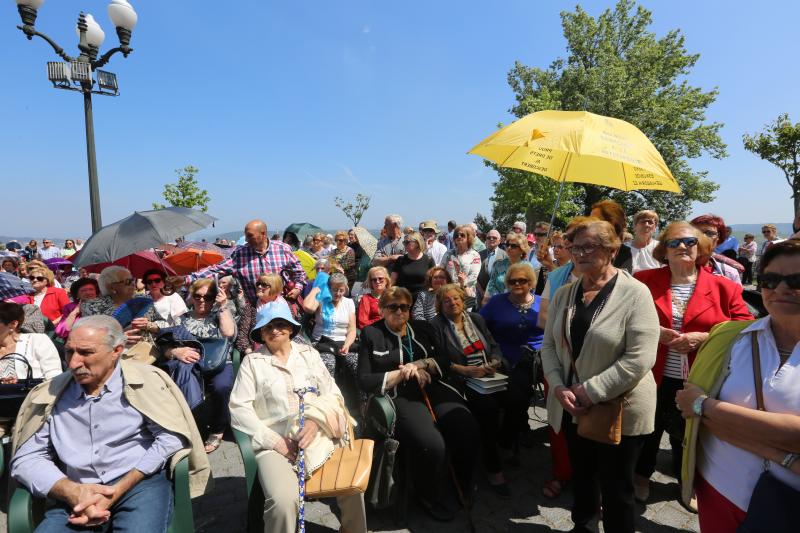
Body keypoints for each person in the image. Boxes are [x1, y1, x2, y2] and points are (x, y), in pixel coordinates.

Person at [540, 218, 660, 533]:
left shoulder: (636, 294)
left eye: (588, 246)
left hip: (619, 408)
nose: (578, 253)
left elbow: (640, 358)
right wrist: (557, 387)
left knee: (617, 487)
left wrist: (589, 391)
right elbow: (550, 345)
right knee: (582, 475)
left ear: (611, 249)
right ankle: (583, 524)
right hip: (570, 405)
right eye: (573, 247)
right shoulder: (565, 293)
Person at [677, 239, 800, 533]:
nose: (781, 289)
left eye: (796, 280)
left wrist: (706, 407)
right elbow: (690, 410)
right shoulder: (730, 337)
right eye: (770, 280)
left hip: (789, 504)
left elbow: (697, 406)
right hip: (718, 490)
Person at [632, 222, 753, 505]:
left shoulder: (724, 287)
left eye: (688, 242)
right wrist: (656, 332)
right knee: (648, 429)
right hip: (652, 372)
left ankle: (688, 482)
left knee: (690, 433)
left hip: (700, 376)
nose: (682, 247)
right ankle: (640, 477)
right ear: (664, 250)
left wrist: (704, 337)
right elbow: (626, 316)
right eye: (673, 243)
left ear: (700, 247)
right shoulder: (644, 279)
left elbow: (744, 326)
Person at [230, 302, 367, 533]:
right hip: (276, 444)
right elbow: (239, 409)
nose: (274, 330)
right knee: (283, 501)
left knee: (352, 487)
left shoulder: (309, 354)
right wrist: (276, 442)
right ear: (261, 333)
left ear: (291, 328)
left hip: (319, 436)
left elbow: (333, 393)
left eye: (280, 324)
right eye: (268, 326)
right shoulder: (252, 363)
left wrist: (315, 422)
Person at [358, 287, 480, 521]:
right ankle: (428, 495)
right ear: (382, 309)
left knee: (466, 428)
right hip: (400, 394)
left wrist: (422, 364)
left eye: (405, 306)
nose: (400, 311)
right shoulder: (371, 333)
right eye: (393, 306)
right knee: (431, 444)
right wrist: (401, 374)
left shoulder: (423, 328)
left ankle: (463, 485)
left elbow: (447, 360)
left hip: (434, 387)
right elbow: (364, 380)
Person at [430, 284, 512, 496]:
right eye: (446, 300)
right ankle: (491, 464)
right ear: (440, 305)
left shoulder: (476, 319)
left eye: (456, 298)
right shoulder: (436, 325)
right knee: (487, 408)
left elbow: (494, 346)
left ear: (463, 299)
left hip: (487, 376)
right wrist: (465, 370)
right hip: (459, 381)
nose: (453, 303)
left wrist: (495, 361)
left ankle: (505, 447)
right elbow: (439, 360)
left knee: (516, 397)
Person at [480, 263, 545, 461]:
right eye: (513, 281)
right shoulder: (496, 303)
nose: (517, 284)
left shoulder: (543, 302)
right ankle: (508, 440)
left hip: (538, 358)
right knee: (516, 396)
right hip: (505, 358)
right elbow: (480, 326)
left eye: (522, 280)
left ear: (531, 282)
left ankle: (521, 429)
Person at [166, 279, 236, 454]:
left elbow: (228, 333)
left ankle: (218, 428)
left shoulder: (221, 312)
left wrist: (222, 305)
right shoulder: (181, 318)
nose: (203, 300)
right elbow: (165, 346)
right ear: (192, 296)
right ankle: (188, 427)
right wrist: (176, 351)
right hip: (190, 363)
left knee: (221, 386)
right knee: (179, 383)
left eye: (208, 296)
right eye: (198, 296)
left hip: (218, 361)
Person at [177, 219, 306, 308]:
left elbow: (299, 272)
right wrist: (186, 279)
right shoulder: (240, 254)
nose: (246, 239)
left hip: (283, 306)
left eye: (250, 236)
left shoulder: (282, 249)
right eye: (246, 236)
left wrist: (297, 288)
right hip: (256, 310)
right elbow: (215, 270)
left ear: (263, 234)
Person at [81, 266, 166, 345]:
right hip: (117, 357)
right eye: (128, 282)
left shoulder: (144, 298)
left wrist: (151, 325)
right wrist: (119, 339)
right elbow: (91, 338)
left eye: (132, 280)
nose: (133, 284)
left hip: (151, 353)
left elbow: (163, 323)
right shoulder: (91, 306)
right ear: (111, 287)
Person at [302, 273, 358, 381]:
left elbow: (352, 329)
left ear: (345, 289)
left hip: (343, 342)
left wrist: (347, 344)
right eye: (334, 290)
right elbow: (307, 307)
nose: (338, 293)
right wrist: (316, 289)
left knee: (356, 362)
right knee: (329, 363)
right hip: (321, 342)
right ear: (328, 288)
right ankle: (329, 394)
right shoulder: (322, 300)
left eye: (341, 290)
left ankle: (361, 397)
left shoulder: (348, 303)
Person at [236, 273, 285, 355]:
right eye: (258, 284)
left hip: (282, 348)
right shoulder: (251, 306)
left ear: (275, 287)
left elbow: (291, 332)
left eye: (264, 285)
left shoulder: (285, 305)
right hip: (257, 351)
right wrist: (250, 352)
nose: (259, 287)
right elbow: (242, 336)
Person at [690, 214, 743, 284]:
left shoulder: (729, 274)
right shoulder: (674, 269)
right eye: (696, 233)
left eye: (709, 233)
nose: (701, 238)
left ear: (719, 239)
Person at [441, 224, 481, 310]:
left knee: (465, 319)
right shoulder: (448, 254)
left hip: (466, 293)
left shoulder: (475, 255)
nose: (459, 237)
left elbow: (474, 276)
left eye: (462, 235)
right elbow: (441, 271)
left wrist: (459, 284)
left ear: (468, 238)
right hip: (449, 293)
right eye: (456, 235)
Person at [483, 231, 530, 304]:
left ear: (522, 249)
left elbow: (529, 289)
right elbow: (491, 286)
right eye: (508, 244)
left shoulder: (527, 267)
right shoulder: (499, 264)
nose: (509, 247)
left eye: (513, 246)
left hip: (518, 305)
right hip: (498, 303)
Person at [390, 231, 435, 302]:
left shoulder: (428, 260)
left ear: (417, 243)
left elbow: (433, 282)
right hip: (402, 300)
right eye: (404, 242)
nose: (404, 244)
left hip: (422, 301)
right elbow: (392, 280)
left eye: (407, 242)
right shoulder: (400, 260)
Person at [590, 199, 632, 273]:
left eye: (595, 220)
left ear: (612, 223)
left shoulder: (624, 252)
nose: (590, 224)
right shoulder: (585, 247)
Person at [477, 229, 507, 298]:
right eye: (489, 238)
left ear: (499, 241)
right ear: (486, 240)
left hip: (498, 295)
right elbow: (475, 277)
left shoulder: (505, 256)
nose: (491, 239)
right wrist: (481, 292)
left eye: (494, 238)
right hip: (481, 295)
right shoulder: (479, 255)